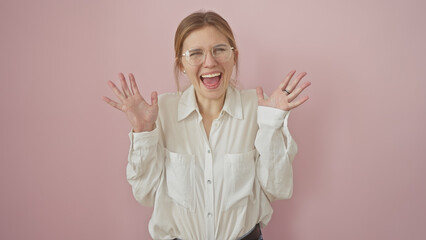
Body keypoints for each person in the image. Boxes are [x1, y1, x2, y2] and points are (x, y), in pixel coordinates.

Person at [103, 10, 310, 240]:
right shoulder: (160, 112)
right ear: (181, 64)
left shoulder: (259, 108)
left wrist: (271, 124)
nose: (210, 62)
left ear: (234, 56)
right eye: (195, 53)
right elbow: (145, 193)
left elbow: (277, 188)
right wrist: (143, 132)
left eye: (220, 50)